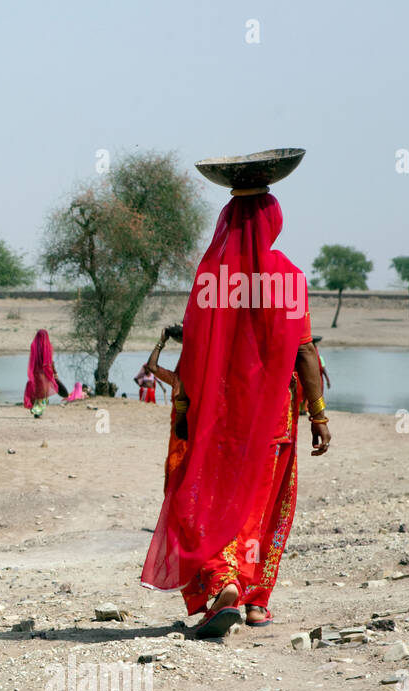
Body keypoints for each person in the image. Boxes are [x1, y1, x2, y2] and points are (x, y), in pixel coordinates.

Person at [141, 192, 331, 638]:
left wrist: (184, 408)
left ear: (228, 221)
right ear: (275, 224)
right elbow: (304, 350)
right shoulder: (289, 278)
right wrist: (318, 414)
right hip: (273, 416)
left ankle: (225, 580)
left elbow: (195, 351)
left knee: (215, 497)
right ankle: (256, 601)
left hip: (220, 415)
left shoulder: (213, 278)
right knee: (264, 504)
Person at [143, 325, 188, 492]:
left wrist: (161, 342)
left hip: (183, 433)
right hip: (182, 434)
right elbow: (152, 367)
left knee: (178, 476)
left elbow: (152, 366)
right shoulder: (181, 379)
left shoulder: (180, 380)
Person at [23, 329, 68, 417]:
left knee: (37, 392)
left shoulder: (33, 346)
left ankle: (35, 409)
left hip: (36, 374)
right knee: (43, 394)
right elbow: (49, 362)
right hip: (45, 374)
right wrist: (54, 372)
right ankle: (37, 411)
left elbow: (33, 361)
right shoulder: (48, 347)